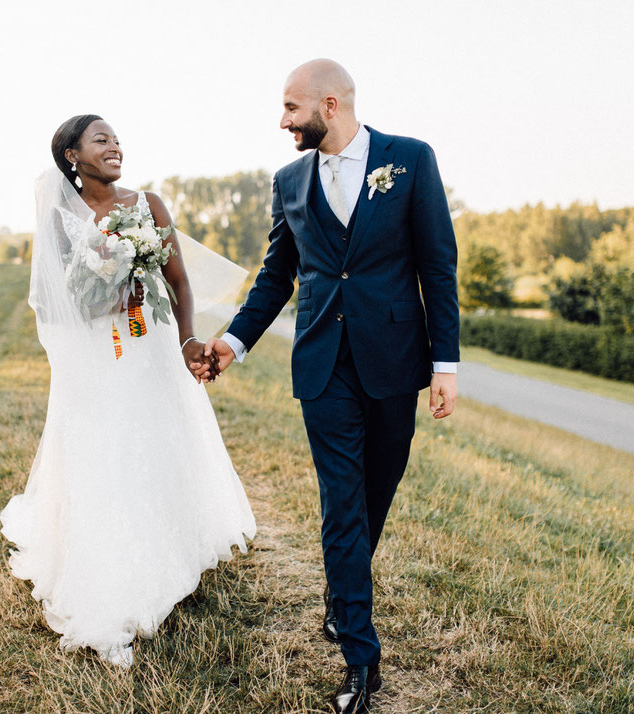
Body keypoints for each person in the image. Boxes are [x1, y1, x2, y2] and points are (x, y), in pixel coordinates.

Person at [201, 60, 460, 713]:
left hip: (396, 360)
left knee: (377, 490)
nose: (282, 121)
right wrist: (233, 342)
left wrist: (445, 365)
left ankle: (342, 595)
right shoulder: (288, 181)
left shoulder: (410, 160)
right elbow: (276, 275)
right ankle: (359, 662)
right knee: (341, 505)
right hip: (322, 365)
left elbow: (438, 263)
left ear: (331, 104)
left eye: (291, 108)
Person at [0, 115, 256, 669]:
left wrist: (188, 339)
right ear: (73, 156)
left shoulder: (149, 205)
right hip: (94, 361)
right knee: (101, 461)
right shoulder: (57, 220)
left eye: (117, 138)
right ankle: (107, 580)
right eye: (101, 139)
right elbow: (50, 302)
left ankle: (167, 558)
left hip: (149, 348)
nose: (115, 146)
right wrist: (102, 296)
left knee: (155, 449)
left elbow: (179, 281)